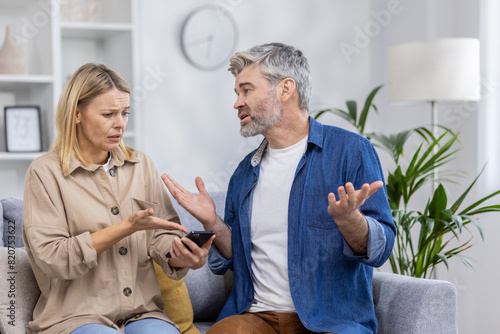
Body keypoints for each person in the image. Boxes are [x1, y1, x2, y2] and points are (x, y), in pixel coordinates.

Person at [162, 43, 396, 333]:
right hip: (255, 317)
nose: (237, 103)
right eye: (237, 93)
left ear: (286, 89)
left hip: (329, 321)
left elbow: (380, 249)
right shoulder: (245, 172)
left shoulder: (351, 152)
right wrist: (212, 222)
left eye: (247, 90)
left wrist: (351, 221)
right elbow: (236, 258)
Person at [22, 63, 213, 334]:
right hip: (75, 317)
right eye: (109, 114)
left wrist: (181, 255)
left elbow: (160, 236)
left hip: (142, 312)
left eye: (125, 113)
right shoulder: (44, 173)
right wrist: (126, 227)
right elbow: (53, 258)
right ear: (77, 114)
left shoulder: (141, 165)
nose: (120, 123)